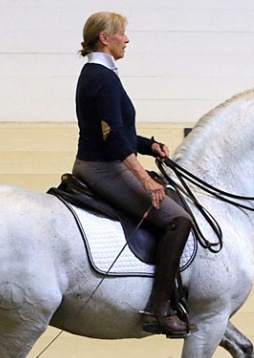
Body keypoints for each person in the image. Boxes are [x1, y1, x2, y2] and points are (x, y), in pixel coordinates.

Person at [72, 12, 197, 338]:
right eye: (122, 34)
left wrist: (149, 144)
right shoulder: (101, 77)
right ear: (104, 38)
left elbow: (118, 132)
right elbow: (113, 140)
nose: (126, 40)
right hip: (104, 168)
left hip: (104, 160)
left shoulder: (99, 74)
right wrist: (145, 179)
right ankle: (158, 309)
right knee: (178, 220)